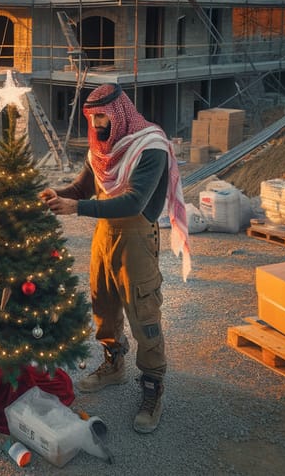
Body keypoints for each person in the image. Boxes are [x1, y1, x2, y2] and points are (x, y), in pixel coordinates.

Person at [40, 83, 191, 434]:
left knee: (144, 313)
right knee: (103, 305)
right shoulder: (101, 149)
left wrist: (77, 208)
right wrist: (55, 194)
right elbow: (82, 188)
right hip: (104, 234)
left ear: (120, 112)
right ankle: (114, 365)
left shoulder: (149, 146)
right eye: (92, 118)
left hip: (137, 235)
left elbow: (134, 201)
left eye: (102, 116)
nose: (97, 124)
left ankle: (153, 387)